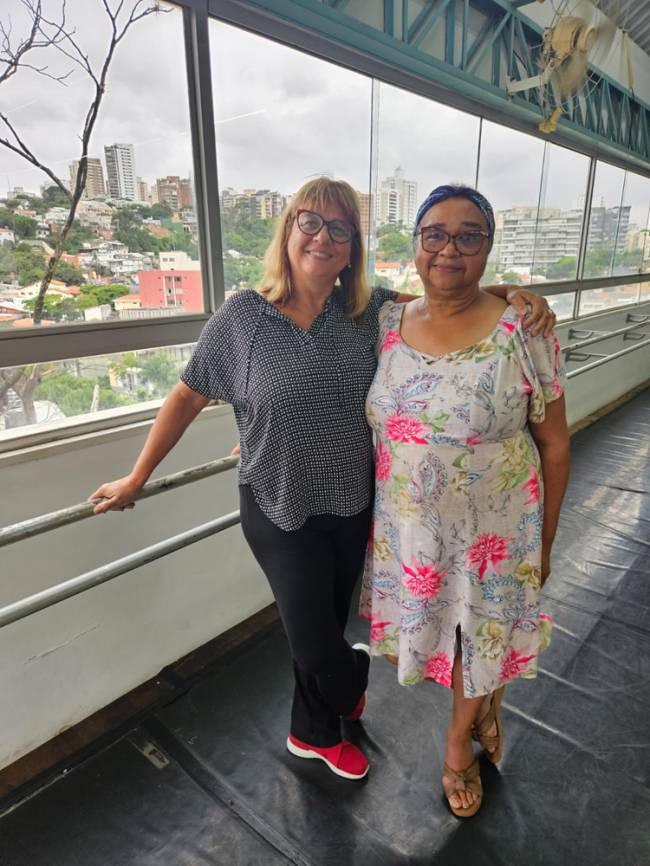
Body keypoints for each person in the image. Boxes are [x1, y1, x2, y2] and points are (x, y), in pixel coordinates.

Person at [89, 178, 556, 783]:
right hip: (278, 505)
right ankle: (350, 681)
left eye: (341, 229)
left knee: (324, 629)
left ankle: (311, 733)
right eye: (311, 222)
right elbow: (188, 393)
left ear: (353, 248)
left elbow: (445, 293)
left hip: (352, 503)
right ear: (288, 231)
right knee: (315, 645)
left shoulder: (369, 314)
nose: (323, 237)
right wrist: (137, 476)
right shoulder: (244, 316)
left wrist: (511, 293)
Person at [360, 183, 570, 816]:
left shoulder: (523, 331)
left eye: (468, 235)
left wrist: (547, 542)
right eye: (436, 234)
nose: (449, 248)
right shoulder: (386, 323)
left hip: (497, 531)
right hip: (411, 532)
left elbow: (554, 445)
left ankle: (458, 746)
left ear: (488, 249)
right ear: (416, 244)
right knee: (447, 640)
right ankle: (483, 704)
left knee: (479, 636)